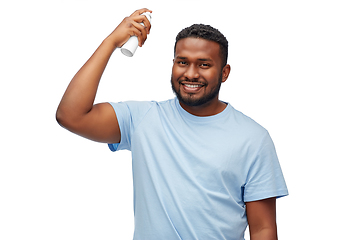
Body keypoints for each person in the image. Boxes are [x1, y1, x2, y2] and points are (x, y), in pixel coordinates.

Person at [56, 8, 288, 240]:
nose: (191, 73)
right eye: (182, 62)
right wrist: (111, 42)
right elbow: (71, 115)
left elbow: (263, 229)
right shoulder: (142, 119)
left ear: (224, 72)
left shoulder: (253, 138)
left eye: (204, 64)